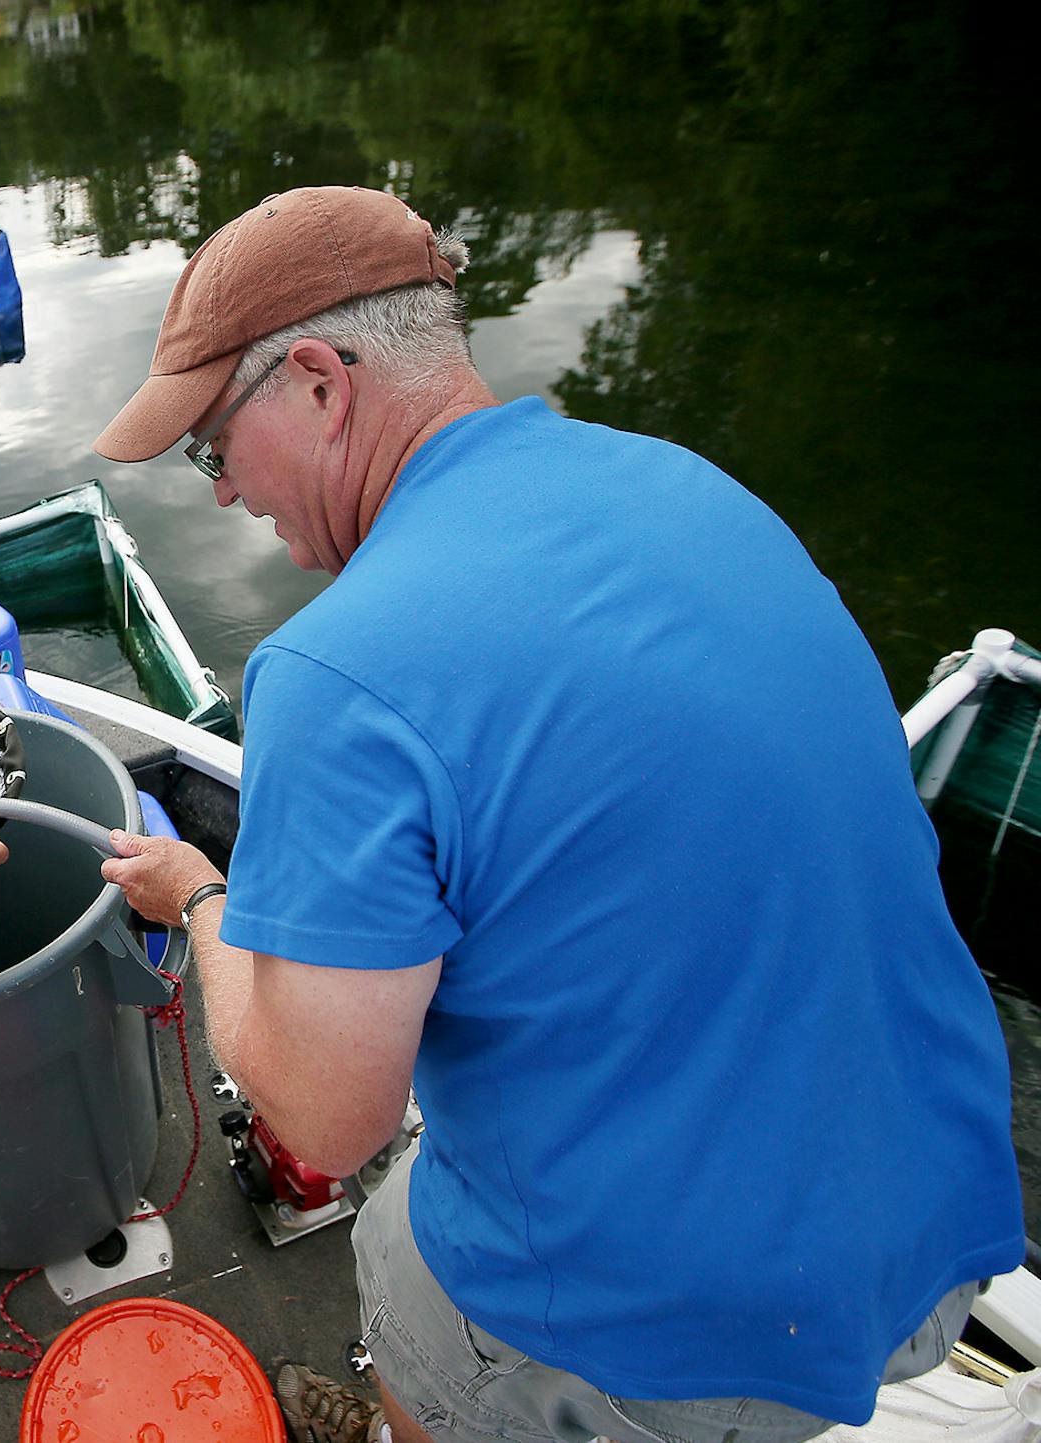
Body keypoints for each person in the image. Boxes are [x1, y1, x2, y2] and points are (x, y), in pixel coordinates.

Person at [90, 185, 1023, 1443]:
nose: (219, 494)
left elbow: (322, 1120)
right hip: (941, 1222)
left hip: (696, 1325)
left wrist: (203, 902)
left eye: (215, 447)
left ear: (320, 380)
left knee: (395, 1246)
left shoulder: (334, 671)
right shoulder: (691, 484)